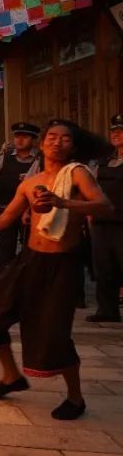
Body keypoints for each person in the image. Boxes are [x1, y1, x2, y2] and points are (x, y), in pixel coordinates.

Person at [0, 119, 111, 420]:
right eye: (51, 137)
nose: (56, 142)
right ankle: (11, 376)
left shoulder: (77, 174)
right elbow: (3, 220)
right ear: (42, 144)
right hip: (29, 260)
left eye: (65, 139)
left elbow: (104, 205)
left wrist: (63, 202)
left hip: (62, 265)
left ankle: (76, 398)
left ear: (73, 146)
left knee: (54, 334)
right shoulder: (29, 183)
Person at [0, 122, 41, 270]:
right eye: (17, 136)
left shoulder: (39, 160)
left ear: (33, 139)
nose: (20, 140)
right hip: (5, 209)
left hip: (30, 214)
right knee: (5, 251)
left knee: (30, 252)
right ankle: (5, 284)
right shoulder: (3, 157)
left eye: (25, 137)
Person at [88, 114, 123, 322]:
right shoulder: (103, 161)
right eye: (113, 131)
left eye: (120, 131)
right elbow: (90, 187)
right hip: (102, 221)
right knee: (104, 267)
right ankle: (107, 310)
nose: (116, 134)